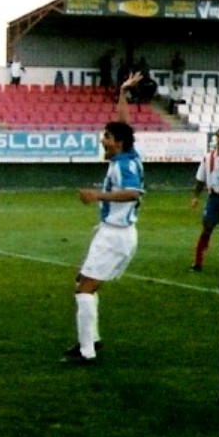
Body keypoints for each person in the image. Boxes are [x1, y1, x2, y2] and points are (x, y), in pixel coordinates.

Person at [62, 70, 145, 365]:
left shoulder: (124, 166)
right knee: (83, 284)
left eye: (107, 137)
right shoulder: (128, 154)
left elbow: (134, 192)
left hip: (116, 235)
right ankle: (91, 340)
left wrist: (97, 195)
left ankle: (87, 351)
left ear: (118, 143)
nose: (103, 140)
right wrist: (123, 92)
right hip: (111, 233)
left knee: (84, 289)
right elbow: (124, 124)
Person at [189, 126, 219, 272]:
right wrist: (195, 196)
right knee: (207, 227)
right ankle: (198, 262)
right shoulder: (208, 158)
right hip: (214, 198)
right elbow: (200, 179)